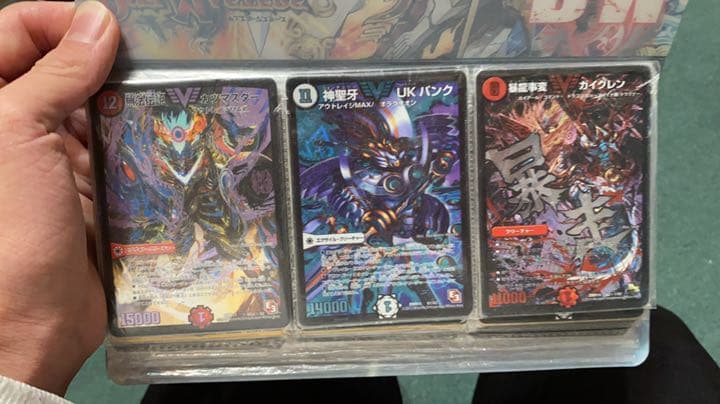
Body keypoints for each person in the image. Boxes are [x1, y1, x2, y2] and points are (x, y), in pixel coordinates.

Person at [0, 2, 717, 404]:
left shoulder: (436, 162)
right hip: (269, 269)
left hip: (461, 251)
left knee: (598, 338)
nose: (388, 170)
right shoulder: (325, 177)